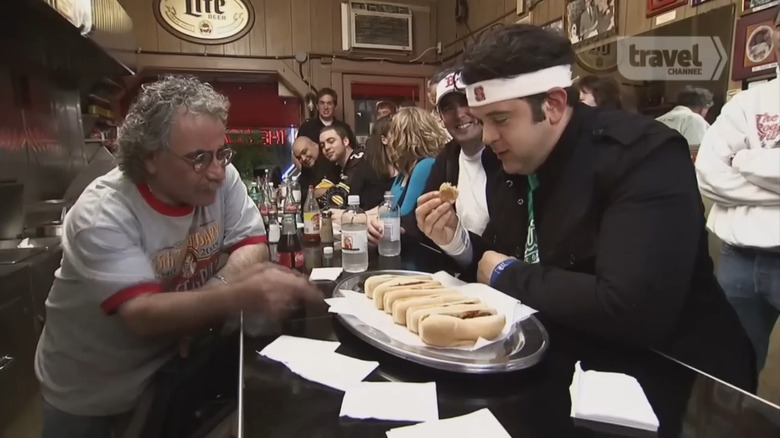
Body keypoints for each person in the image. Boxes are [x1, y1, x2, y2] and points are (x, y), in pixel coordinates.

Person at [414, 23, 754, 405]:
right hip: (569, 365)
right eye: (483, 120)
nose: (488, 136)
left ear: (554, 105)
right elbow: (497, 257)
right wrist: (457, 242)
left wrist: (507, 274)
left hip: (682, 382)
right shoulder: (507, 162)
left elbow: (629, 308)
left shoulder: (642, 155)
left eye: (500, 119)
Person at [34, 76, 321, 437]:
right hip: (90, 386)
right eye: (198, 159)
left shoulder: (221, 177)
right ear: (150, 158)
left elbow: (251, 243)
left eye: (221, 153)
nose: (218, 170)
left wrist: (199, 309)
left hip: (168, 368)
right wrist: (237, 294)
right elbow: (141, 314)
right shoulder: (104, 211)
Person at [694, 5, 780, 375]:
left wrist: (746, 160)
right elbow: (710, 173)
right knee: (732, 370)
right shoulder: (749, 102)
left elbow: (729, 168)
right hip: (737, 260)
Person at [318, 125, 390, 210]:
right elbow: (316, 192)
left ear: (345, 141)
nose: (326, 148)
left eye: (331, 141)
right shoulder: (336, 167)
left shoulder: (362, 162)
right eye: (322, 145)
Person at [364, 115, 398, 181]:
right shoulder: (367, 169)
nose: (401, 136)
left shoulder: (406, 165)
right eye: (395, 132)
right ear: (384, 139)